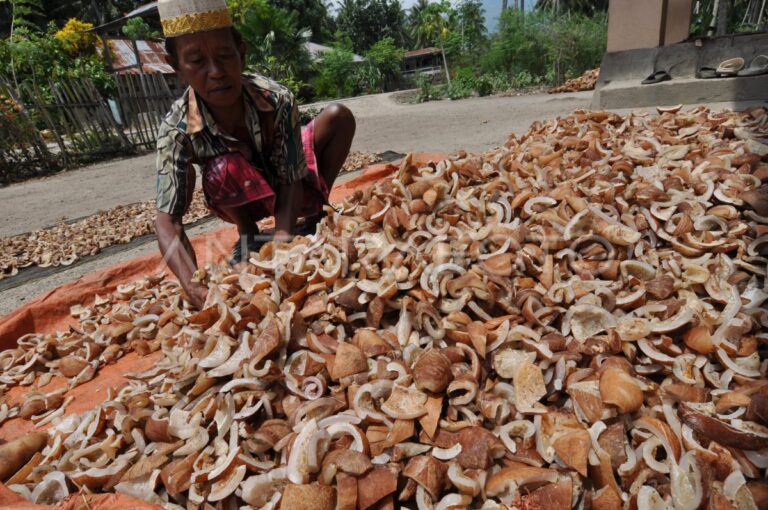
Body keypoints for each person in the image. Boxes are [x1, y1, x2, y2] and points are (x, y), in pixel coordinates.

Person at [154, 0, 356, 309]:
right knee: (222, 168)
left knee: (338, 115)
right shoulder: (176, 130)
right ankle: (247, 231)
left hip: (282, 175)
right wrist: (194, 286)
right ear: (175, 66)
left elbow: (290, 176)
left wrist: (283, 240)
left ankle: (315, 211)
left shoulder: (276, 99)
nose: (216, 72)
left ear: (241, 53)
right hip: (237, 189)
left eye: (225, 56)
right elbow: (168, 222)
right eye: (196, 61)